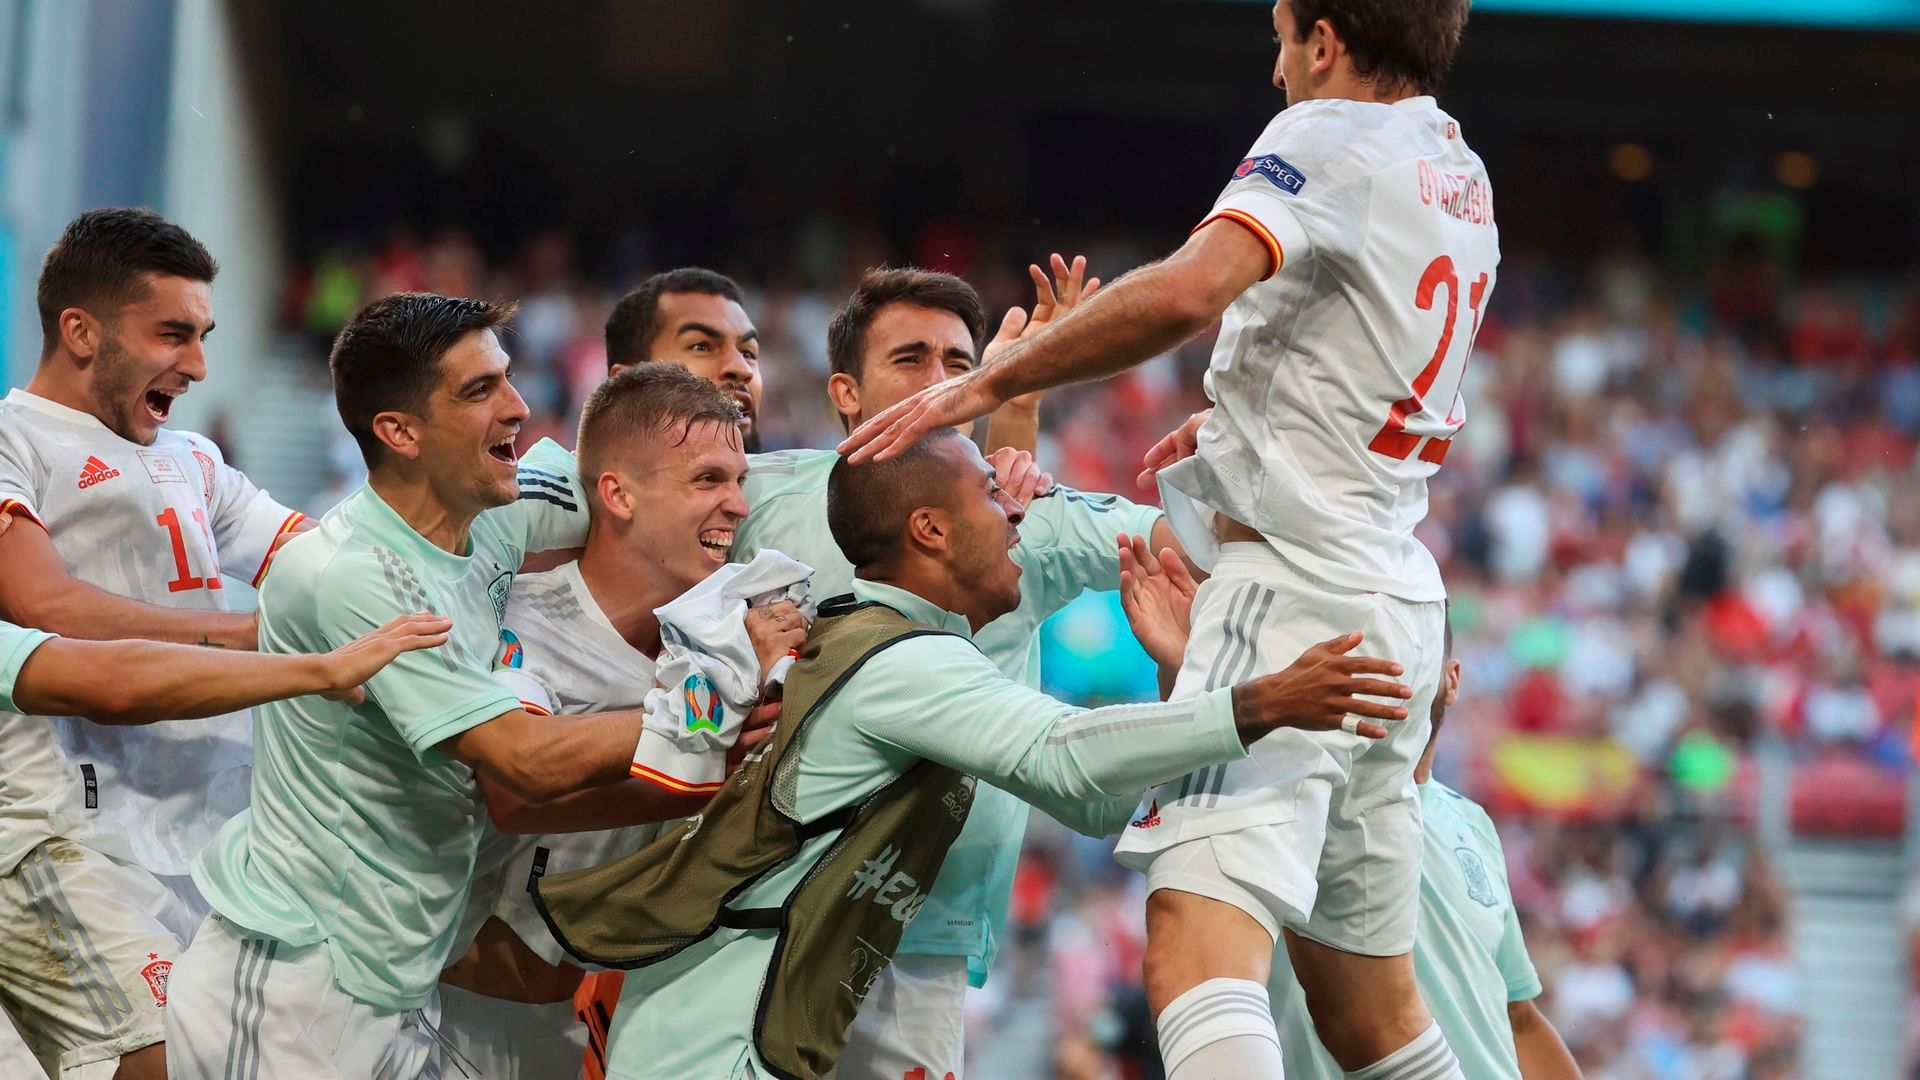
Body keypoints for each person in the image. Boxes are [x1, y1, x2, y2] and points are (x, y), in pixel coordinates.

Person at [841, 3, 1494, 1076]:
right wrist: (1248, 420)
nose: (1277, 66)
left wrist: (996, 378)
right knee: (1368, 1013)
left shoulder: (1324, 132)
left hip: (1292, 592)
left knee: (1195, 950)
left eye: (1283, 34)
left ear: (1325, 40)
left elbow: (1192, 288)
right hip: (1397, 597)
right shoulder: (1459, 170)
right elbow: (1372, 353)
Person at [545, 427, 1412, 1080]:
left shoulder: (904, 649)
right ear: (929, 528)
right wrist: (1257, 701)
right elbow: (1064, 758)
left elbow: (1093, 803)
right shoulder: (897, 662)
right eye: (994, 496)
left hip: (734, 1036)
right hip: (707, 1043)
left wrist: (1179, 678)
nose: (1015, 515)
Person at [161, 292, 633, 1079]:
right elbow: (523, 760)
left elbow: (655, 487)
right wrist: (709, 722)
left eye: (507, 379)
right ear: (400, 432)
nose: (518, 407)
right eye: (479, 391)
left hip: (392, 984)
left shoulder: (490, 509)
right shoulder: (350, 575)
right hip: (299, 982)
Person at [731, 263, 1170, 1079]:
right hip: (753, 917)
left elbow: (1191, 548)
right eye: (909, 360)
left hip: (918, 932)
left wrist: (1023, 402)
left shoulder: (1022, 511)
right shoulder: (753, 499)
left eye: (960, 364)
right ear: (844, 393)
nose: (941, 385)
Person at [0, 207, 310, 1080]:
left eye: (205, 335)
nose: (199, 364)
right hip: (63, 834)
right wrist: (256, 638)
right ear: (81, 331)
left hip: (209, 846)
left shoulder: (195, 460)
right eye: (174, 333)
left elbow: (319, 562)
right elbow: (40, 603)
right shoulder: (11, 439)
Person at [436, 363, 806, 1079]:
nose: (735, 504)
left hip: (597, 1022)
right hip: (455, 1015)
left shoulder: (730, 638)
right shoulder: (522, 619)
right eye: (707, 480)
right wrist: (703, 757)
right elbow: (514, 796)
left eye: (738, 481)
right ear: (618, 494)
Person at [1119, 563, 1581, 1079]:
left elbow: (1519, 1019)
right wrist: (1190, 682)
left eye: (1402, 646)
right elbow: (1208, 798)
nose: (1374, 666)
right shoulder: (1278, 790)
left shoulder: (1471, 822)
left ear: (1447, 678)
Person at [604, 268, 763, 449]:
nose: (743, 369)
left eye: (748, 353)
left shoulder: (800, 472)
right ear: (627, 386)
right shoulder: (569, 474)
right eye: (701, 346)